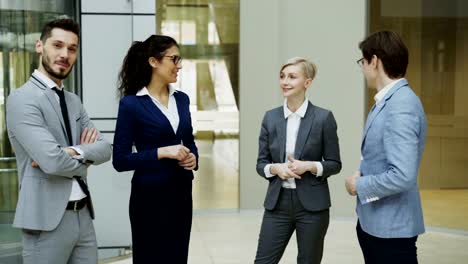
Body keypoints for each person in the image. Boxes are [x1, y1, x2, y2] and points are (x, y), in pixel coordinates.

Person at [6, 18, 112, 264]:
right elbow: (53, 162)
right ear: (40, 46)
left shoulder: (73, 101)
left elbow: (106, 149)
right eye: (57, 45)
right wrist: (86, 156)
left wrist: (72, 151)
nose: (65, 54)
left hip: (83, 216)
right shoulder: (22, 99)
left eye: (72, 48)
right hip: (45, 223)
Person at [112, 35, 198, 264]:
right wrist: (162, 152)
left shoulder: (182, 100)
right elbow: (120, 160)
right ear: (154, 61)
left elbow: (189, 141)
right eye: (174, 59)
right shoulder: (131, 104)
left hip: (181, 195)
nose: (179, 65)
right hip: (149, 199)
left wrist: (193, 159)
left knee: (178, 257)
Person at [345, 30, 426, 264]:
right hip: (378, 226)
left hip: (391, 233)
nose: (362, 68)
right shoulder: (389, 101)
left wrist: (358, 185)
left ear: (375, 61)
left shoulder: (401, 106)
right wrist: (363, 170)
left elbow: (402, 176)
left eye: (363, 61)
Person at [254, 57, 342, 264]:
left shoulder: (323, 118)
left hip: (313, 207)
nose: (285, 81)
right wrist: (276, 169)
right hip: (278, 204)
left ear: (307, 82)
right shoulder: (270, 118)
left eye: (292, 77)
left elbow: (334, 163)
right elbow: (261, 164)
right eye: (282, 76)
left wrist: (309, 166)